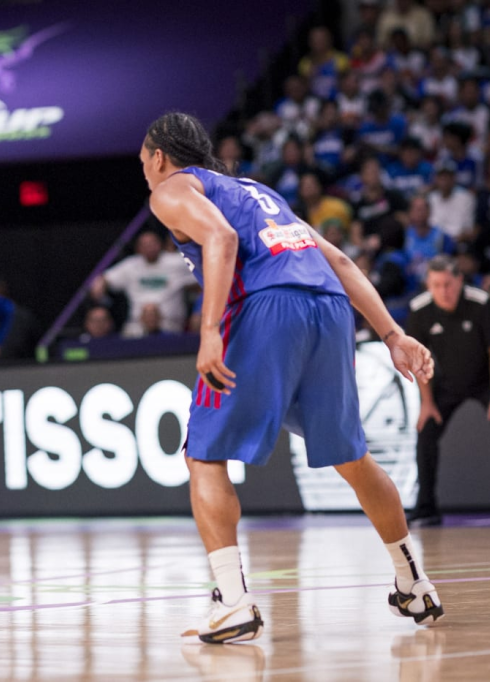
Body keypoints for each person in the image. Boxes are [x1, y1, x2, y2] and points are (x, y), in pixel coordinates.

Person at [140, 112, 442, 645]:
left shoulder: (171, 189)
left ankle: (233, 602)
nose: (144, 169)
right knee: (354, 458)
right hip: (329, 311)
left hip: (268, 309)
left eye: (144, 160)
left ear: (159, 157)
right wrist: (392, 334)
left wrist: (209, 330)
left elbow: (220, 238)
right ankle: (413, 583)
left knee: (203, 455)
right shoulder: (259, 191)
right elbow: (340, 261)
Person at [405, 256, 490, 526]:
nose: (443, 291)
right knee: (426, 431)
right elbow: (419, 361)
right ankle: (426, 507)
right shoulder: (419, 309)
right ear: (428, 284)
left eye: (448, 284)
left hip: (488, 381)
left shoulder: (481, 302)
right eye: (436, 285)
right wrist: (427, 402)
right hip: (446, 383)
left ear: (459, 280)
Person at [90, 230, 195, 337]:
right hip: (136, 327)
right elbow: (105, 278)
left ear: (160, 244)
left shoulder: (176, 262)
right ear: (138, 248)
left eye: (152, 243)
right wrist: (100, 284)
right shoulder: (130, 265)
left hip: (170, 325)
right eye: (145, 245)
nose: (149, 247)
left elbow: (200, 275)